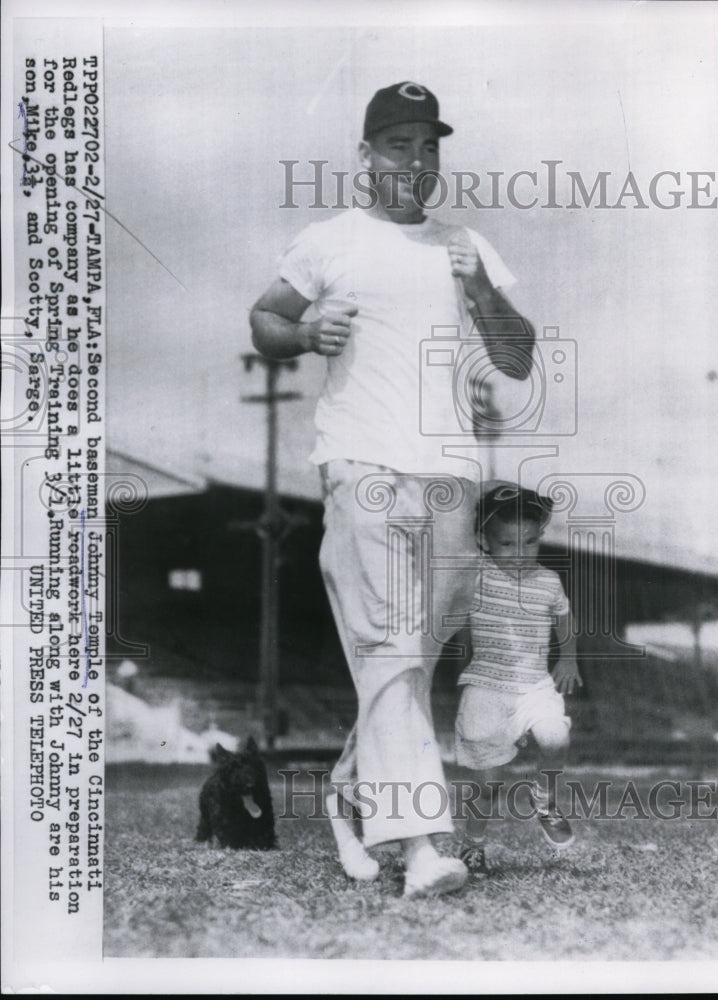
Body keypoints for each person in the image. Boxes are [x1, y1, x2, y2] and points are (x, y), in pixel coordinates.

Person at [250, 81, 534, 897]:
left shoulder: (465, 243)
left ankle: (347, 794)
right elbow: (264, 319)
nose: (417, 160)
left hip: (451, 477)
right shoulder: (327, 242)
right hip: (363, 467)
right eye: (400, 144)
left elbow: (515, 359)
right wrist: (304, 332)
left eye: (429, 145)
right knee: (389, 652)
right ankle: (421, 847)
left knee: (410, 661)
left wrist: (478, 292)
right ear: (367, 156)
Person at [454, 484, 582, 875]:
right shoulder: (474, 573)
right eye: (507, 544)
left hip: (534, 685)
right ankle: (472, 844)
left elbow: (563, 618)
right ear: (485, 541)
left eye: (529, 542)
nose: (520, 553)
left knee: (555, 737)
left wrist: (569, 658)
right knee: (488, 783)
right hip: (486, 685)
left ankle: (545, 801)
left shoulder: (547, 582)